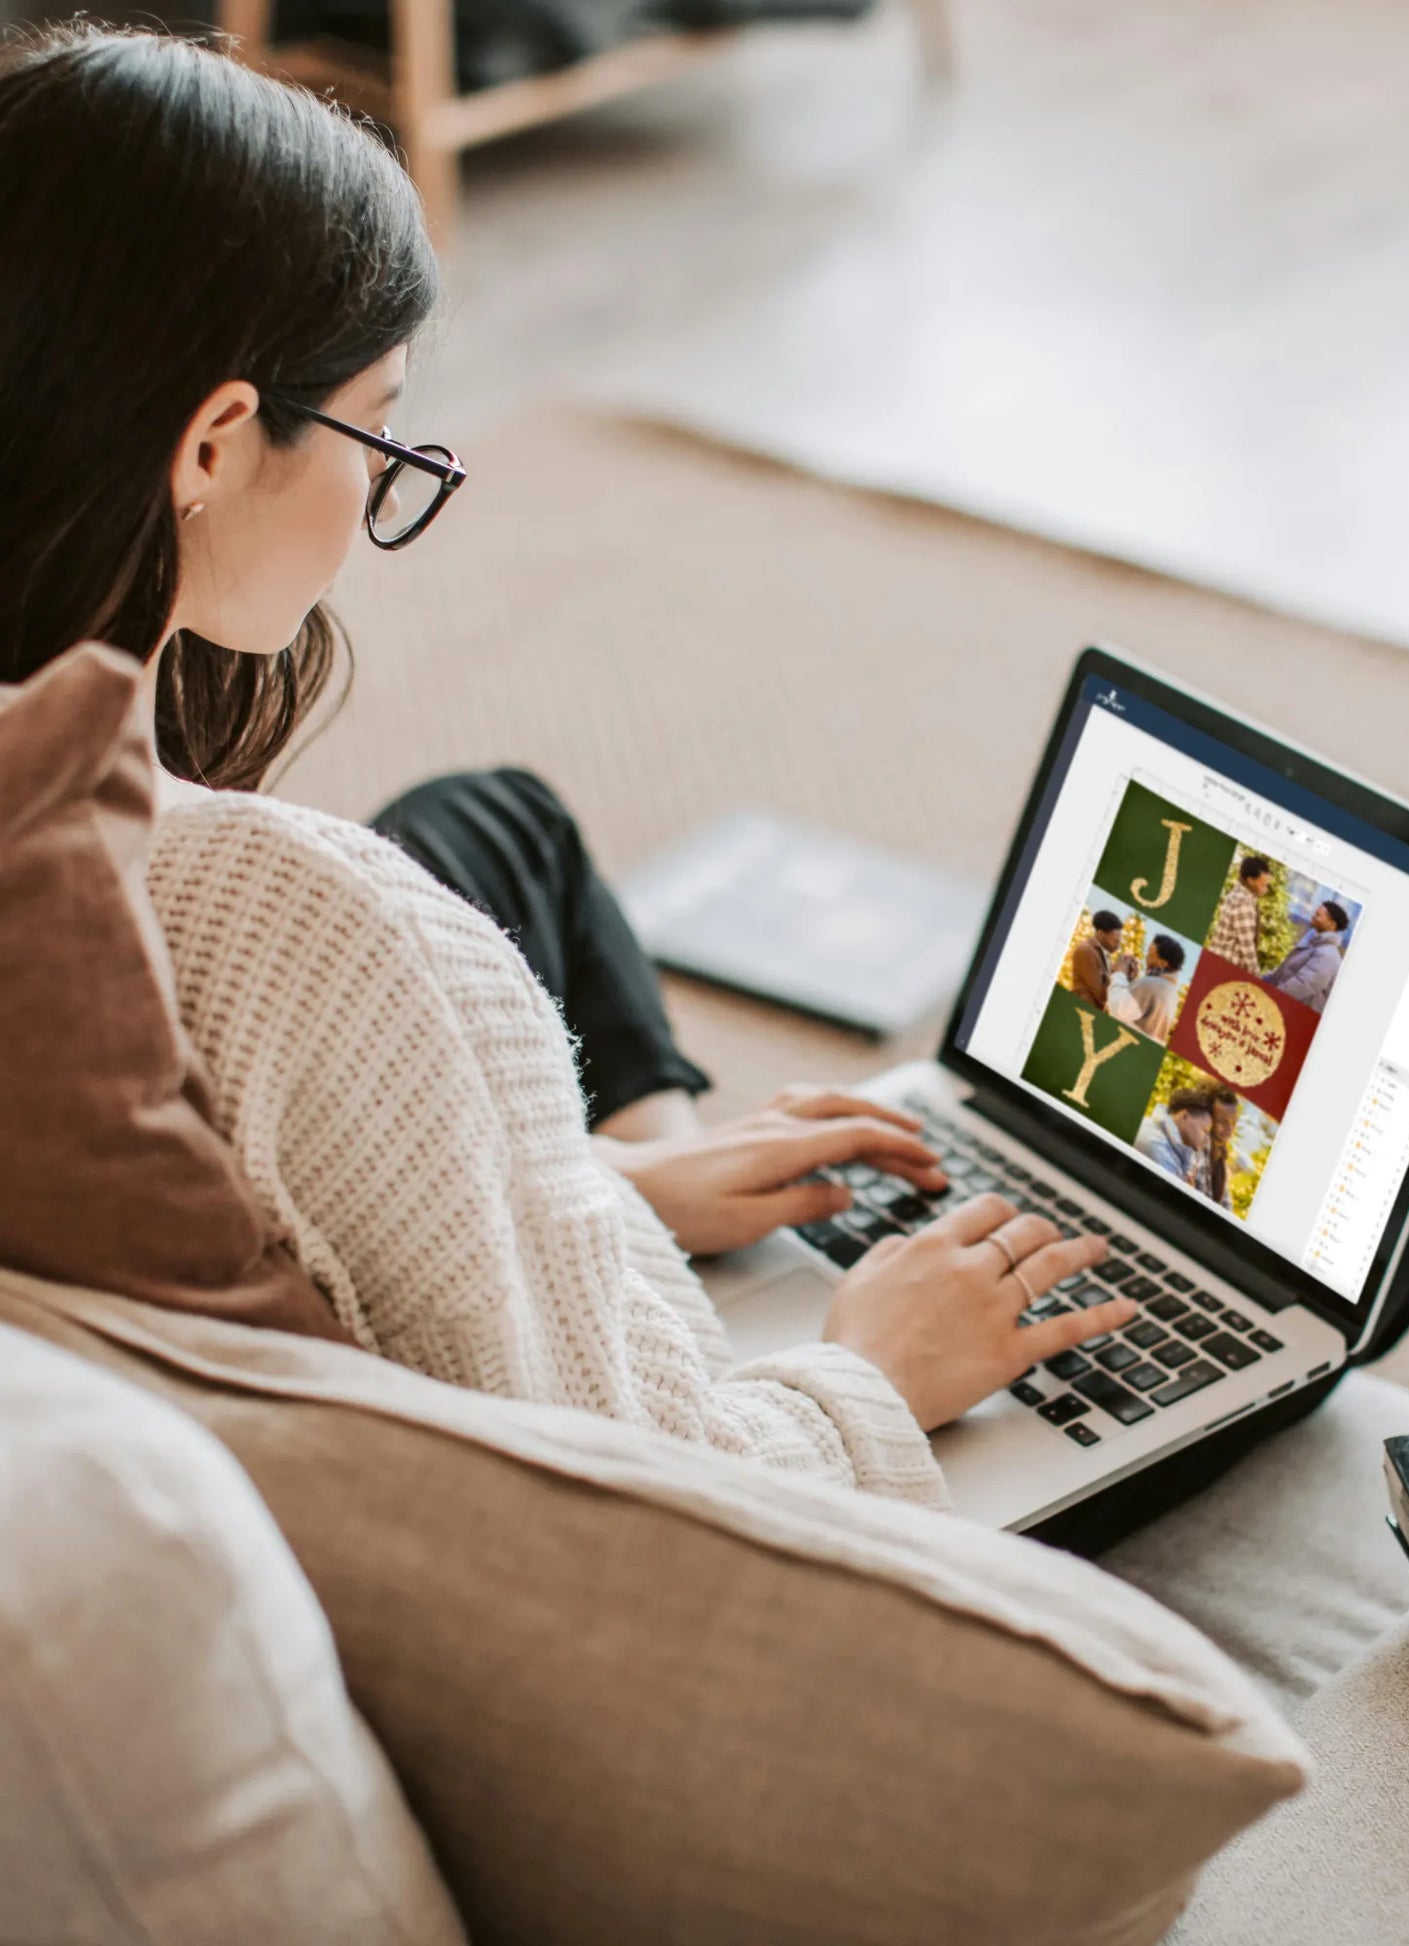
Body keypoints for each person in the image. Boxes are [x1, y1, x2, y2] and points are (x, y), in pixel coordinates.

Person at [0, 23, 1142, 1512]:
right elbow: (640, 1488)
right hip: (693, 1443)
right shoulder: (308, 923)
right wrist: (876, 1364)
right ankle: (652, 1227)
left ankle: (630, 1173)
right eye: (379, 428)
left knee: (497, 821)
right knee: (1402, 1240)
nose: (379, 491)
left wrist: (606, 1195)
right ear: (214, 443)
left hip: (446, 1141)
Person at [1267, 898, 1349, 1010]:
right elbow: (1286, 970)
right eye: (1315, 913)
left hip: (1298, 1012)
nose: (1313, 916)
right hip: (1285, 1003)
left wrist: (1273, 995)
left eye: (1318, 915)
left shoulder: (1328, 955)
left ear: (1332, 924)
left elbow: (1303, 984)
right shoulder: (1314, 942)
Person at [1136, 1088, 1213, 1190]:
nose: (1208, 1140)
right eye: (1205, 1131)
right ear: (1185, 1116)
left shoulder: (1170, 1145)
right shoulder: (1159, 1151)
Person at [1206, 856, 1272, 972]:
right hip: (1226, 965)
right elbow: (1247, 945)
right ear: (1250, 880)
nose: (1266, 890)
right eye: (1263, 885)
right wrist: (1255, 974)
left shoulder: (1237, 893)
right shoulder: (1244, 902)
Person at [1117, 933, 1186, 1041]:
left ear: (1163, 963)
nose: (1146, 957)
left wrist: (1120, 975)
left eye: (1149, 954)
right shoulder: (1173, 994)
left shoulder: (1148, 984)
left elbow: (1115, 1011)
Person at [1068, 908, 1124, 1012]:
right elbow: (1101, 995)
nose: (1118, 947)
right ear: (1101, 934)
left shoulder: (1103, 954)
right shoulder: (1086, 952)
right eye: (1115, 941)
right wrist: (1118, 974)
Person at [1203, 1089, 1241, 1211]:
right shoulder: (1196, 1149)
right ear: (1209, 1117)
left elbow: (1226, 1206)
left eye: (1233, 1123)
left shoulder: (1221, 1161)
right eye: (1222, 1121)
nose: (1229, 1129)